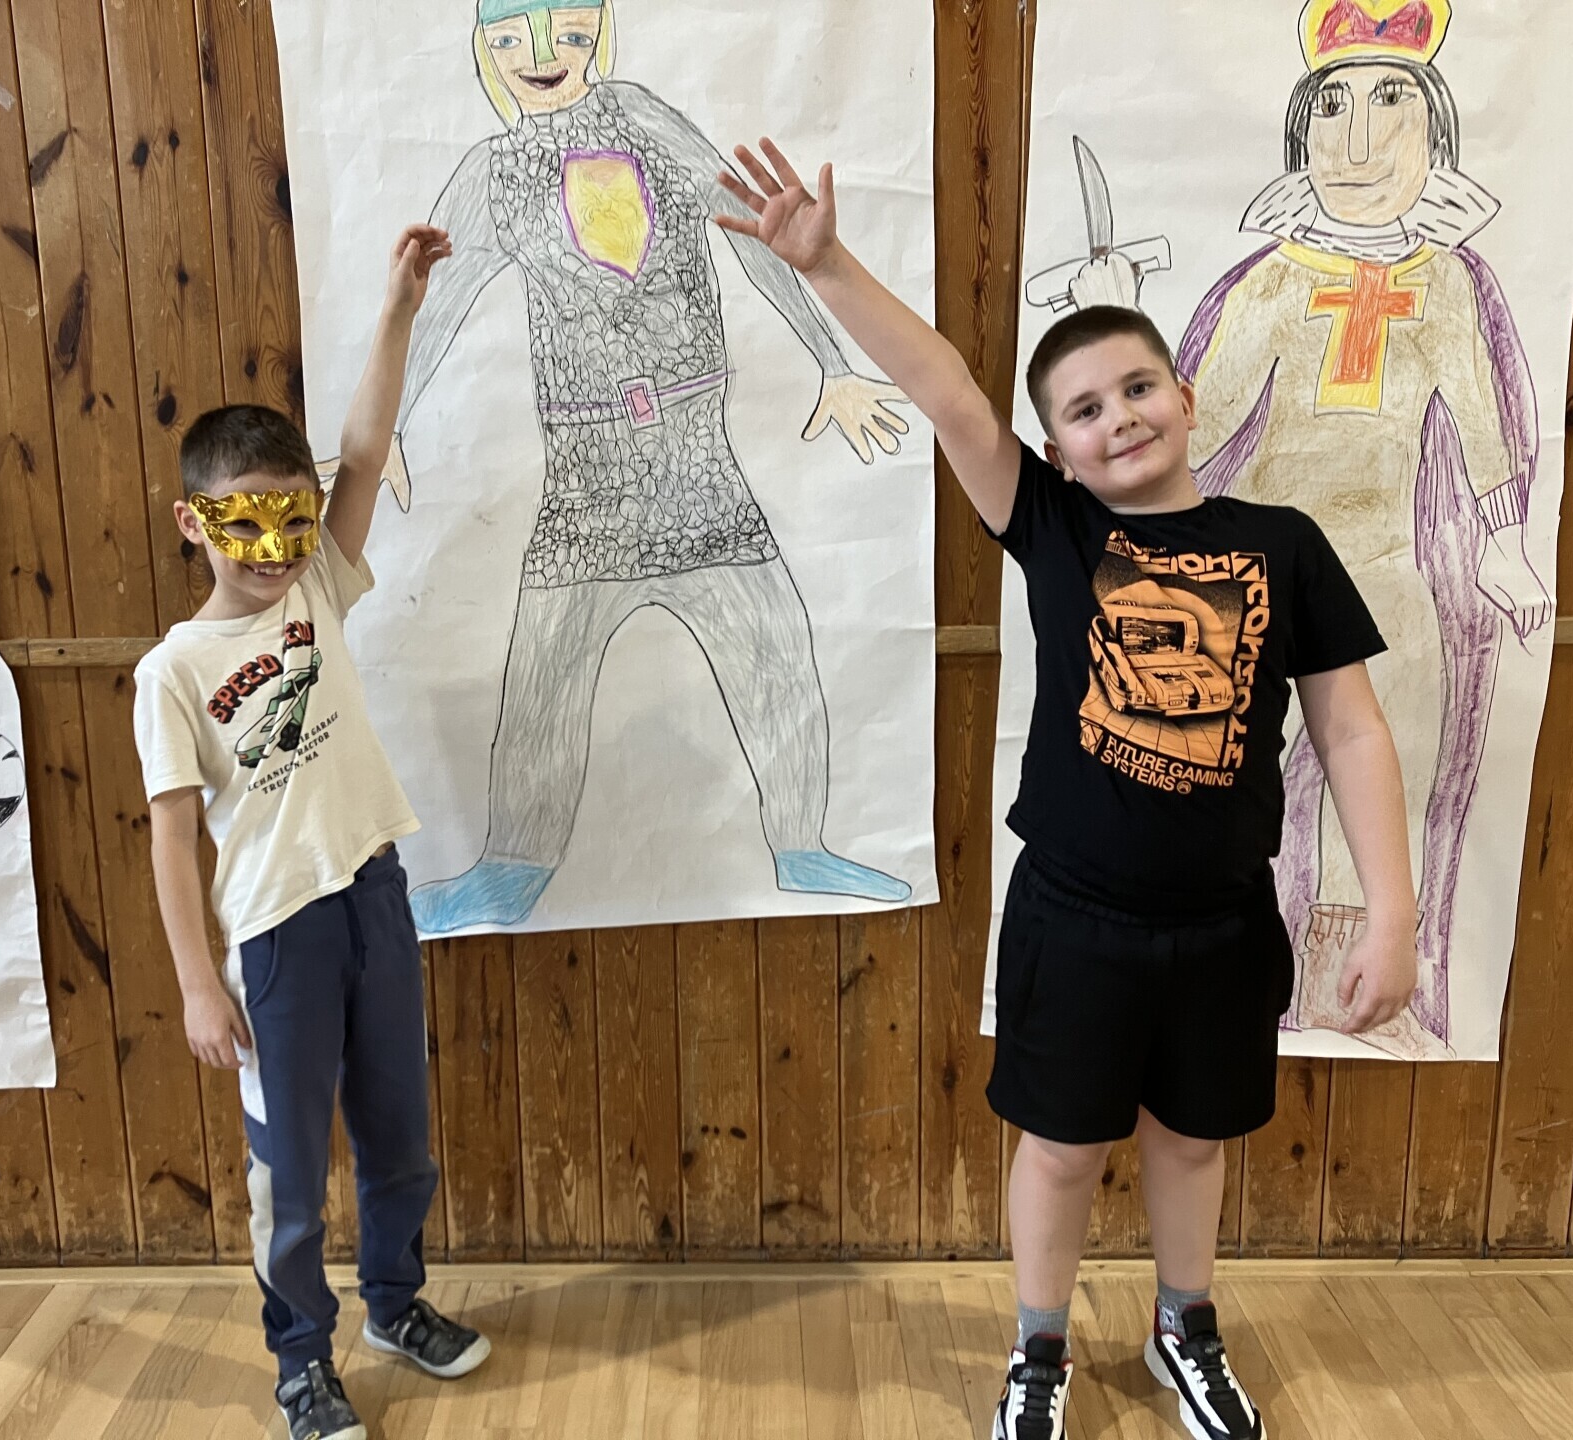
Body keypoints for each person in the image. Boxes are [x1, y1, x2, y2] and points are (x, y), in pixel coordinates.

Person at [716, 142, 1419, 1440]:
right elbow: (946, 394)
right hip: (1074, 919)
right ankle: (1038, 1349)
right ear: (1058, 448)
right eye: (1085, 409)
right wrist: (827, 265)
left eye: (1138, 387)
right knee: (1060, 1148)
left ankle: (1184, 1327)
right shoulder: (1054, 526)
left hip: (1223, 925)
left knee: (1192, 1142)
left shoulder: (1284, 547)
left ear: (1186, 395)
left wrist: (1392, 912)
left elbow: (1354, 731)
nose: (1119, 417)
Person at [392, 0, 914, 934]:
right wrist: (386, 426)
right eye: (511, 39)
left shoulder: (643, 119)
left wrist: (831, 361)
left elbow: (756, 235)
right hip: (588, 481)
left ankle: (802, 845)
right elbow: (438, 299)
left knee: (776, 652)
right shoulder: (494, 173)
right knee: (545, 677)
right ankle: (511, 867)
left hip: (697, 463)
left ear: (597, 33)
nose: (540, 56)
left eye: (564, 32)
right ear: (485, 51)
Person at [133, 227, 488, 1440]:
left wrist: (398, 306)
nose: (276, 550)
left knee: (400, 1140)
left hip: (373, 897)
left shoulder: (318, 589)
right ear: (193, 524)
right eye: (245, 524)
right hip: (273, 940)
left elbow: (366, 452)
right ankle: (301, 1360)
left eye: (293, 519)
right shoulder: (174, 671)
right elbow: (170, 838)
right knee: (288, 1175)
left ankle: (395, 1304)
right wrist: (197, 983)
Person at [1176, 0, 1551, 1057]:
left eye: (1391, 104)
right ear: (1301, 134)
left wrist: (1503, 544)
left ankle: (1352, 993)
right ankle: (1213, 976)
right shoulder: (1272, 283)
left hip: (1385, 573)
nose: (1358, 142)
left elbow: (1482, 420)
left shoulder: (1450, 288)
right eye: (1332, 109)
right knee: (1220, 775)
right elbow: (1198, 419)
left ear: (1435, 131)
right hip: (1256, 570)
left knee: (1389, 760)